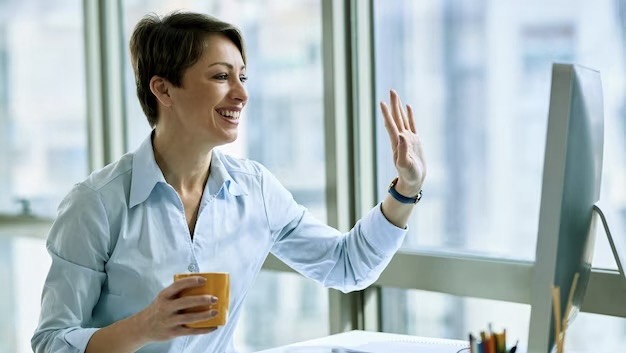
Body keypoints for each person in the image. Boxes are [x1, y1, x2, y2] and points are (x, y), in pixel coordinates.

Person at [31, 11, 426, 353]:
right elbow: (52, 342)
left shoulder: (255, 191)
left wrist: (406, 189)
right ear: (163, 89)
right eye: (221, 77)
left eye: (242, 77)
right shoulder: (96, 204)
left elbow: (346, 265)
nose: (241, 94)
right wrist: (145, 326)